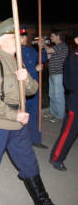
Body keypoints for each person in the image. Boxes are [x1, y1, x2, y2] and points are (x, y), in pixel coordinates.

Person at [0, 18, 53, 205]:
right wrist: (14, 115)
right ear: (3, 40)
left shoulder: (17, 63)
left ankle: (42, 200)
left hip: (19, 122)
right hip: (0, 123)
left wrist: (26, 78)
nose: (19, 40)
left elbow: (32, 90)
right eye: (14, 36)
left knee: (28, 161)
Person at [49, 29, 78, 171]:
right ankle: (57, 157)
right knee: (70, 131)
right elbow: (71, 82)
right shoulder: (74, 57)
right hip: (76, 99)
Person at [20, 27, 48, 149]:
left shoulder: (30, 50)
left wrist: (42, 48)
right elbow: (18, 69)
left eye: (25, 36)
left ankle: (35, 139)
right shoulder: (15, 52)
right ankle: (22, 141)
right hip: (22, 87)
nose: (25, 38)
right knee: (22, 115)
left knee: (35, 114)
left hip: (34, 86)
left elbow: (43, 59)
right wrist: (34, 69)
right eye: (22, 36)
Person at [43, 29, 69, 123]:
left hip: (59, 74)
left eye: (52, 36)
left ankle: (60, 116)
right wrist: (44, 48)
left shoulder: (62, 45)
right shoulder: (56, 47)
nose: (50, 38)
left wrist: (44, 44)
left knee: (58, 95)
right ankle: (52, 112)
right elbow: (49, 56)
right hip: (52, 74)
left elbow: (49, 50)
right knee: (52, 94)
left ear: (58, 36)